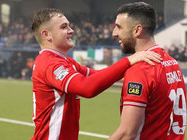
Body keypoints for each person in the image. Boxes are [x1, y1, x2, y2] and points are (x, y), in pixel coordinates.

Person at [30, 8, 161, 140]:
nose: (71, 30)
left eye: (69, 25)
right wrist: (128, 61)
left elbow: (97, 75)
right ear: (47, 35)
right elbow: (86, 88)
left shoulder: (65, 61)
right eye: (64, 27)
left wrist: (139, 70)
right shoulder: (49, 64)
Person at [109, 2, 187, 140]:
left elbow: (128, 133)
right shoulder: (172, 62)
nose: (114, 33)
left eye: (118, 27)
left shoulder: (141, 69)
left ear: (137, 30)